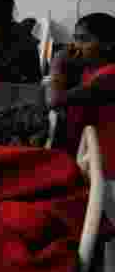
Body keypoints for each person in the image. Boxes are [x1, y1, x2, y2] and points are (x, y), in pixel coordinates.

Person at [48, 12, 115, 164]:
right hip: (83, 152)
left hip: (99, 162)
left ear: (108, 44)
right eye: (75, 39)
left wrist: (57, 62)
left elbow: (54, 101)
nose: (76, 46)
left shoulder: (110, 76)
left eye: (84, 39)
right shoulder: (90, 68)